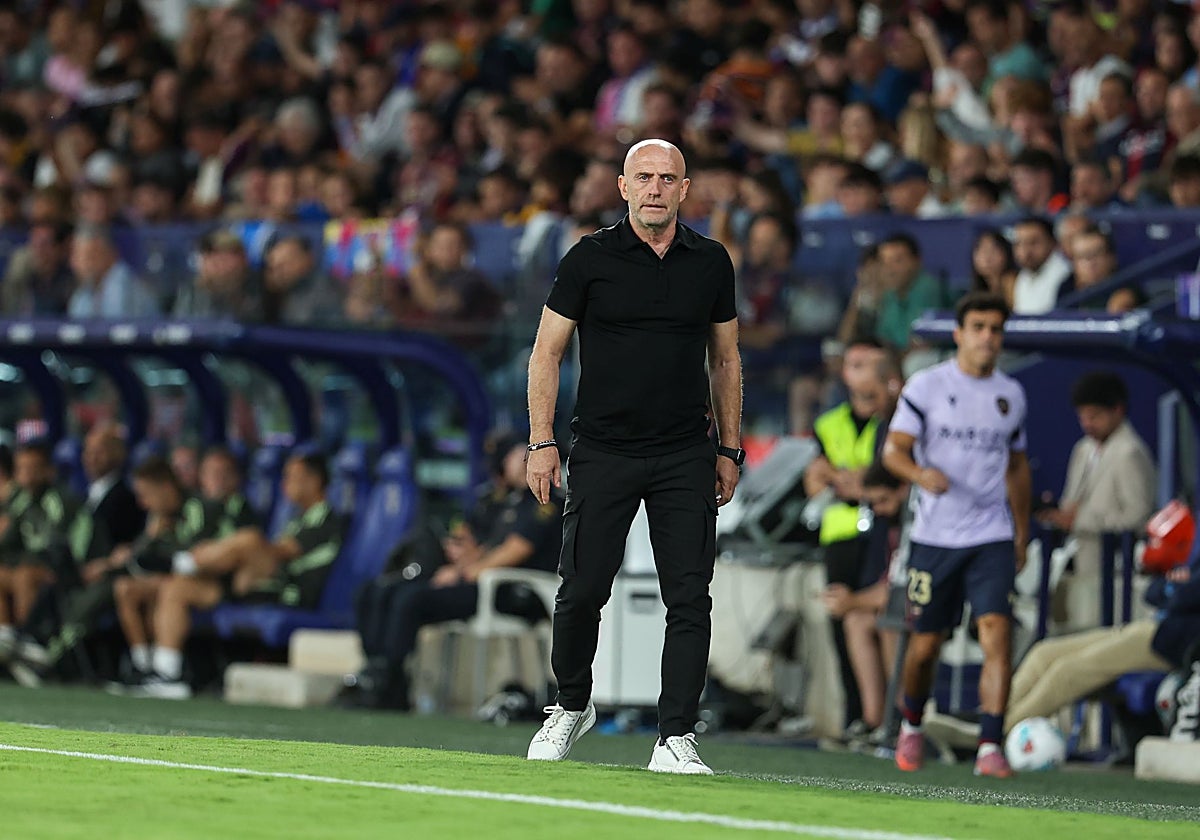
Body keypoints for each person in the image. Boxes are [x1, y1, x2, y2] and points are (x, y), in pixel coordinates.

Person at [523, 139, 741, 775]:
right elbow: (546, 353)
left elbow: (725, 359)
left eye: (665, 178)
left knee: (689, 596)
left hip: (684, 453)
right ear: (622, 187)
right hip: (603, 449)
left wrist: (730, 446)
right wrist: (541, 442)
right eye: (642, 177)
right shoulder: (588, 258)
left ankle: (675, 736)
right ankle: (570, 706)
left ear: (683, 189)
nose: (653, 188)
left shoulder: (711, 262)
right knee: (582, 587)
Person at [882, 291, 1032, 778]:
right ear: (959, 334)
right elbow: (894, 451)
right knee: (925, 647)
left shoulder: (1011, 395)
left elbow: (1017, 466)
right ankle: (911, 723)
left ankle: (991, 743)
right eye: (979, 327)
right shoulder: (926, 386)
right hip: (935, 537)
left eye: (995, 329)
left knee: (997, 633)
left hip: (990, 534)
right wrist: (920, 475)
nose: (988, 337)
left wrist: (1021, 531)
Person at [335, 433, 561, 711]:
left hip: (511, 592)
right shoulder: (497, 501)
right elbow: (476, 542)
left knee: (410, 600)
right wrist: (461, 555)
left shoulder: (542, 502)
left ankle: (389, 681)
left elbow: (515, 550)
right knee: (377, 591)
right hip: (476, 582)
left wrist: (464, 571)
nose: (519, 462)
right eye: (514, 456)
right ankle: (376, 672)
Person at [121, 451, 345, 698]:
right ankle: (166, 673)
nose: (284, 483)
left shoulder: (327, 519)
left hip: (290, 591)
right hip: (258, 582)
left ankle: (184, 562)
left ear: (313, 481)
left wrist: (228, 550)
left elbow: (282, 552)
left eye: (291, 476)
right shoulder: (296, 518)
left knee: (249, 538)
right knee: (174, 588)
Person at [1037, 372, 1156, 630]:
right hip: (1075, 561)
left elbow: (1138, 514)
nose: (1087, 423)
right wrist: (1058, 514)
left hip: (1110, 571)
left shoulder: (1130, 453)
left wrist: (1078, 520)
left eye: (1094, 416)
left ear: (1117, 410)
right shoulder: (1083, 449)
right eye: (1082, 416)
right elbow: (1072, 502)